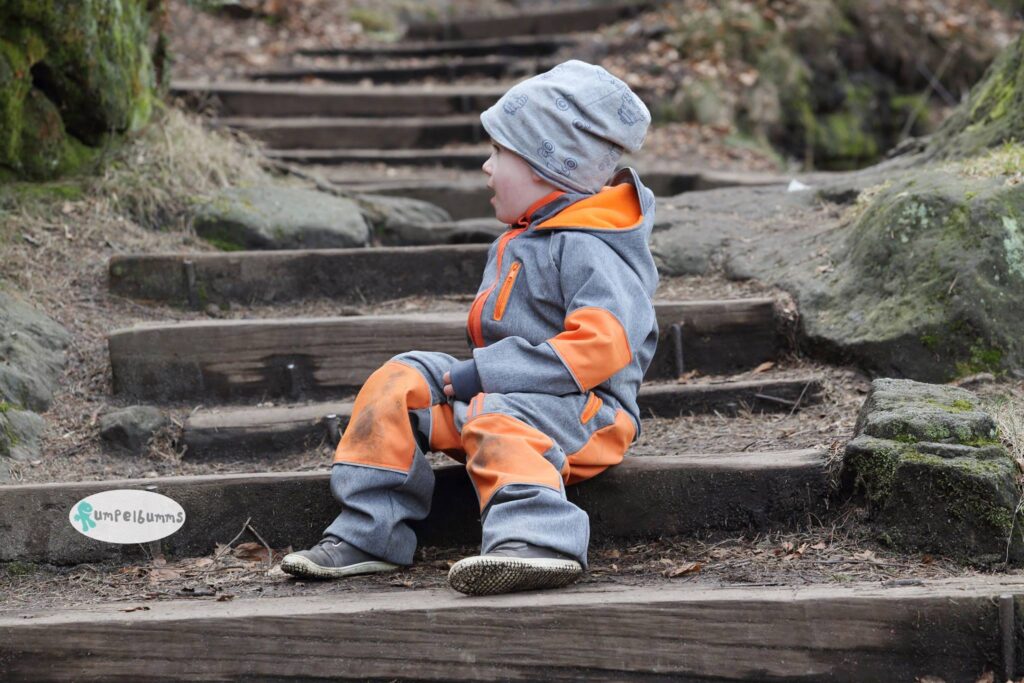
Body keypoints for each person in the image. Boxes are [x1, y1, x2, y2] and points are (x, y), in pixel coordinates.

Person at [281, 60, 659, 596]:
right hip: (501, 399)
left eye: (499, 152)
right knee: (400, 380)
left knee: (497, 418)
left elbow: (600, 347)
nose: (486, 166)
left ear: (546, 166)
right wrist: (482, 378)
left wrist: (487, 372)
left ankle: (538, 541)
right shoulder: (528, 235)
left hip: (587, 415)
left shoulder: (593, 247)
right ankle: (371, 533)